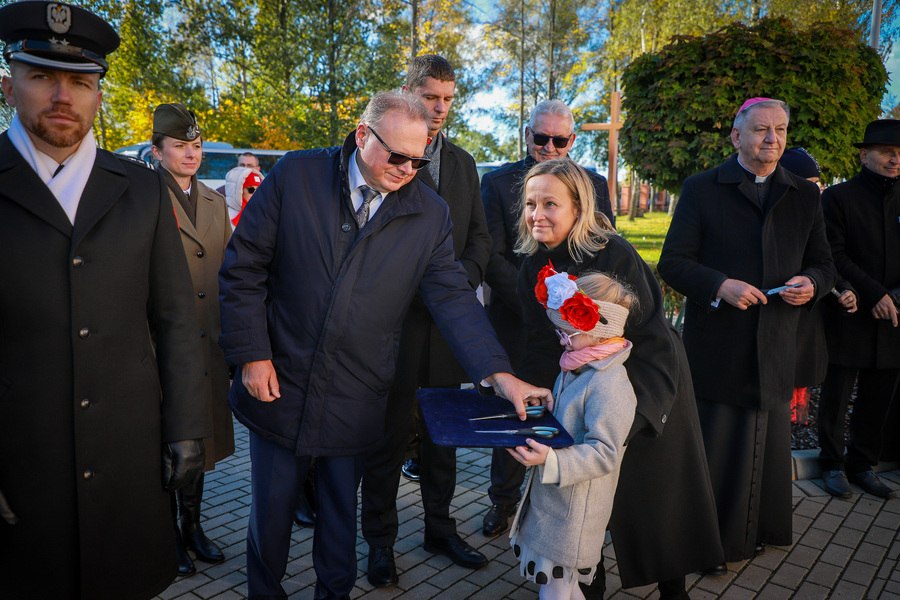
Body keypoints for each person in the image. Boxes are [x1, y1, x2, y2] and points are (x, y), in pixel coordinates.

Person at [218, 90, 552, 600]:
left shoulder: (429, 213)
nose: (407, 170)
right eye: (396, 156)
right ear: (361, 135)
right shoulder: (296, 176)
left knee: (338, 518)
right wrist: (252, 354)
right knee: (272, 514)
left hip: (357, 390)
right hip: (279, 381)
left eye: (418, 160)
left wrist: (499, 374)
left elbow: (455, 301)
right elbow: (243, 268)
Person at [0, 3, 211, 599]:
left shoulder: (141, 187)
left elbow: (173, 316)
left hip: (128, 454)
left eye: (81, 81)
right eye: (42, 75)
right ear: (9, 84)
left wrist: (188, 426)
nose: (62, 95)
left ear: (99, 95)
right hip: (23, 459)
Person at [517, 159, 722, 599]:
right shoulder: (529, 266)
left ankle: (673, 588)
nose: (537, 214)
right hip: (576, 391)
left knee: (655, 499)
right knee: (584, 503)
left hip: (645, 383)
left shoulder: (614, 254)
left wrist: (634, 416)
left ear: (578, 207)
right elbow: (539, 343)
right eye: (531, 203)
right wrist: (540, 401)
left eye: (550, 203)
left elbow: (649, 333)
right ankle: (588, 584)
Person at [658, 98, 835, 566]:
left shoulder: (805, 194)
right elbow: (673, 262)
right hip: (720, 348)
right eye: (761, 130)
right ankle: (711, 543)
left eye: (779, 130)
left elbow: (824, 264)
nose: (772, 139)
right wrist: (720, 285)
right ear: (737, 137)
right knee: (717, 452)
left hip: (776, 344)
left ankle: (760, 531)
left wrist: (811, 284)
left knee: (767, 451)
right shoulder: (702, 188)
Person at [359, 54, 493, 588]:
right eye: (430, 96)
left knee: (445, 438)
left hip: (445, 331)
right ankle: (380, 543)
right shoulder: (383, 156)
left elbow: (480, 237)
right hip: (392, 328)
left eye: (446, 99)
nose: (439, 108)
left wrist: (457, 277)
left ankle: (440, 527)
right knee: (388, 441)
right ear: (409, 91)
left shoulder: (462, 163)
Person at [481, 99, 615, 538]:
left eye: (560, 140)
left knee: (572, 409)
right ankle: (503, 500)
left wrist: (573, 310)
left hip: (578, 326)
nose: (550, 147)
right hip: (518, 321)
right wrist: (534, 301)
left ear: (573, 140)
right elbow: (492, 255)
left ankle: (563, 503)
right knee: (516, 411)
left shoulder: (593, 184)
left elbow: (602, 253)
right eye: (542, 138)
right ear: (528, 136)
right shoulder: (499, 183)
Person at [507, 270, 637, 600]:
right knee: (561, 586)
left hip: (574, 513)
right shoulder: (579, 364)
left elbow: (606, 451)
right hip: (557, 505)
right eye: (560, 333)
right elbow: (573, 419)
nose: (561, 340)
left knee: (556, 588)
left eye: (568, 334)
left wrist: (551, 459)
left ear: (597, 332)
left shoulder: (610, 384)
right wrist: (549, 405)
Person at [151, 103, 237, 575]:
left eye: (197, 145)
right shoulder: (143, 197)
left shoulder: (213, 199)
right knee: (167, 442)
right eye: (180, 146)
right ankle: (167, 534)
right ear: (157, 150)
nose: (191, 153)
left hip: (207, 344)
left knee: (199, 441)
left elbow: (227, 274)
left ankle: (193, 526)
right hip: (164, 344)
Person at [817, 119, 900, 500]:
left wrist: (893, 297)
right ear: (864, 155)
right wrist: (873, 294)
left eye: (899, 154)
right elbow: (833, 255)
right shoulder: (837, 199)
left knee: (878, 395)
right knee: (837, 394)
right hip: (849, 312)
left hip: (893, 316)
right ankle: (832, 465)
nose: (894, 160)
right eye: (886, 152)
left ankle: (861, 464)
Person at [778, 148, 856, 425]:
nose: (816, 192)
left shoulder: (816, 216)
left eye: (818, 185)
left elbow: (827, 261)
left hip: (807, 315)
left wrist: (843, 289)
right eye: (809, 185)